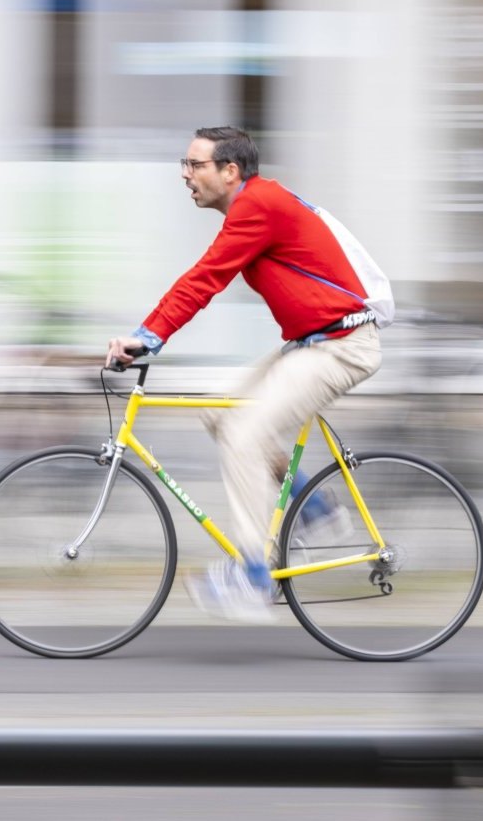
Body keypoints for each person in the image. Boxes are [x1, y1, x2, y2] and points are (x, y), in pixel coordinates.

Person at [105, 126, 382, 622]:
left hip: (342, 348)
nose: (185, 175)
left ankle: (253, 575)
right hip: (310, 345)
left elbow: (203, 280)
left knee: (245, 433)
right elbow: (205, 279)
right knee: (217, 410)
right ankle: (314, 509)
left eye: (195, 165)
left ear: (230, 171)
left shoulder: (259, 205)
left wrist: (146, 338)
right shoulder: (252, 209)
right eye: (184, 165)